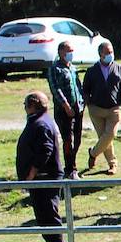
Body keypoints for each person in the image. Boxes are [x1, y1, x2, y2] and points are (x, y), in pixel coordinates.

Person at [14, 91, 66, 242]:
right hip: (41, 178)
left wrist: (31, 173)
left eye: (25, 104)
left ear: (33, 105)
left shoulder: (42, 123)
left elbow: (45, 150)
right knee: (44, 218)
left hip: (44, 178)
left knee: (48, 218)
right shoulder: (40, 121)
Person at [81, 41, 121, 176]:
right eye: (107, 53)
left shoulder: (119, 69)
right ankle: (112, 164)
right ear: (100, 54)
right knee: (104, 138)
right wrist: (88, 103)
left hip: (114, 109)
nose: (110, 55)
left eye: (111, 52)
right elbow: (85, 89)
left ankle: (93, 153)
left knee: (110, 135)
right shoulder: (92, 70)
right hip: (96, 109)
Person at [46, 41, 84, 179]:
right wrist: (66, 105)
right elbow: (56, 89)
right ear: (61, 52)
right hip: (63, 110)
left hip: (77, 108)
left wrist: (82, 102)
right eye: (69, 50)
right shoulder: (54, 69)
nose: (71, 53)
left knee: (78, 139)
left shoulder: (72, 68)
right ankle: (70, 169)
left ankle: (72, 164)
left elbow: (78, 87)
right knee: (68, 140)